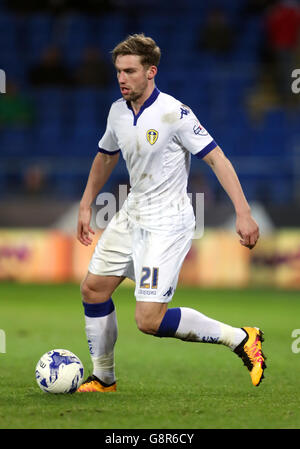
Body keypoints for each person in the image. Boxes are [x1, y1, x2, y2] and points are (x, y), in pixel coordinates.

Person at [76, 34, 265, 393]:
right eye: (118, 71)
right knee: (93, 290)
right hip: (132, 213)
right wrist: (87, 204)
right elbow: (105, 156)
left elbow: (216, 158)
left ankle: (241, 338)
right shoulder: (117, 111)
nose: (122, 78)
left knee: (148, 320)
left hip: (167, 222)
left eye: (130, 71)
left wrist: (244, 212)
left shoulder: (175, 114)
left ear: (151, 72)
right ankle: (104, 378)